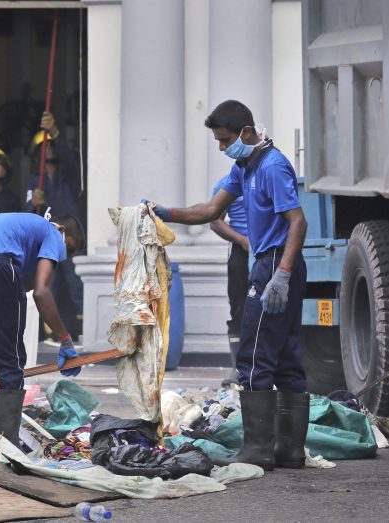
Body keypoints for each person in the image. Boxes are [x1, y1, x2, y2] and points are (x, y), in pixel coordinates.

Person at [144, 100, 309, 471]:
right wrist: (163, 212)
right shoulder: (244, 167)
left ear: (247, 132)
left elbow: (297, 223)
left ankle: (257, 451)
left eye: (225, 139)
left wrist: (281, 274)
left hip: (276, 264)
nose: (222, 147)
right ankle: (289, 450)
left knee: (253, 358)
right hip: (271, 263)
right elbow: (208, 211)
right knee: (285, 358)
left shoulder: (272, 166)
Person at [0, 212, 85, 447]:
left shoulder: (25, 227)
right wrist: (65, 340)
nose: (65, 256)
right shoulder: (52, 232)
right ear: (62, 230)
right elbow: (41, 292)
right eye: (70, 248)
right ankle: (4, 446)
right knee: (9, 356)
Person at [25, 112, 84, 342]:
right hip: (48, 240)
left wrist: (57, 134)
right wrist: (33, 203)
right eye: (43, 146)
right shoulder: (34, 181)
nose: (48, 149)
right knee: (50, 283)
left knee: (75, 281)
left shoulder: (67, 175)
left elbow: (68, 158)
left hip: (69, 238)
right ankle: (52, 331)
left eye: (51, 145)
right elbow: (26, 211)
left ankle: (83, 329)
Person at [209, 178, 249, 388]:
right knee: (239, 310)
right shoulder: (228, 184)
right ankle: (238, 368)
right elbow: (215, 220)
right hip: (241, 252)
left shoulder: (270, 176)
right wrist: (242, 240)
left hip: (270, 251)